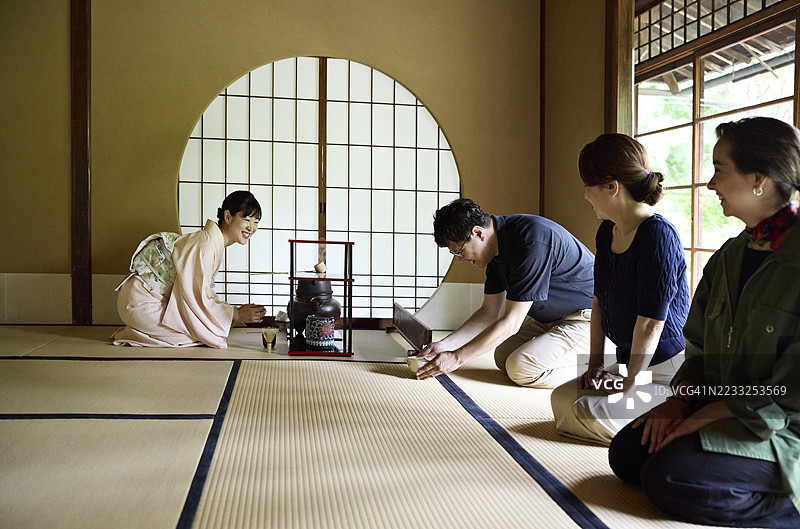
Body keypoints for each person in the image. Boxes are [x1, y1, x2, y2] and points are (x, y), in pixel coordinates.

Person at [608, 117, 800, 528]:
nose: (710, 184)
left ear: (759, 179)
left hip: (780, 424)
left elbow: (791, 395)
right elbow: (697, 346)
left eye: (718, 169)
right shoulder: (729, 256)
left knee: (669, 476)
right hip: (721, 404)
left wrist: (710, 413)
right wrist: (681, 401)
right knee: (627, 454)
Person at [550, 133, 690, 445]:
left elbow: (652, 323)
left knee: (588, 412)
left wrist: (631, 382)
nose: (586, 195)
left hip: (663, 370)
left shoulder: (658, 236)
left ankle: (669, 411)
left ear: (612, 187)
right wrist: (596, 363)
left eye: (589, 186)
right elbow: (598, 299)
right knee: (561, 400)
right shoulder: (606, 231)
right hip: (627, 361)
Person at [415, 198, 595, 388]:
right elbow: (488, 312)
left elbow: (511, 323)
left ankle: (598, 370)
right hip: (551, 319)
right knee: (503, 356)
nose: (460, 259)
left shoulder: (531, 241)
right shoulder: (494, 252)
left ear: (477, 233)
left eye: (459, 251)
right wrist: (445, 346)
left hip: (586, 319)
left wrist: (457, 358)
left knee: (521, 368)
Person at [112, 190, 266, 348]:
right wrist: (236, 314)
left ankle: (143, 330)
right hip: (142, 303)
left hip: (154, 300)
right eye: (247, 220)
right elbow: (195, 297)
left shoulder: (213, 243)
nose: (252, 228)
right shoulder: (206, 245)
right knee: (201, 336)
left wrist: (233, 312)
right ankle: (134, 333)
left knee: (207, 332)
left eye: (256, 222)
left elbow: (203, 293)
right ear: (228, 217)